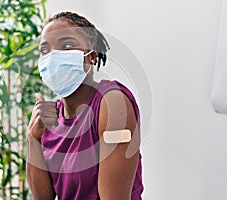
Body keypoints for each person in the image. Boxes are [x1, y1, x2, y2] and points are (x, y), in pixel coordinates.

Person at [27, 11, 143, 200]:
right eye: (45, 51)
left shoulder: (113, 103)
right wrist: (33, 138)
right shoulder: (49, 118)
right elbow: (43, 197)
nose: (54, 57)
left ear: (92, 56)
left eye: (67, 45)